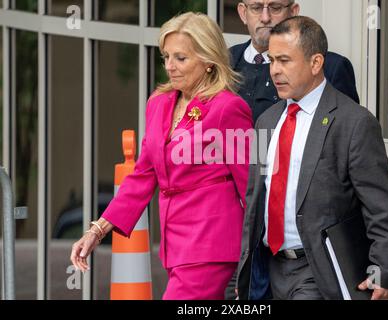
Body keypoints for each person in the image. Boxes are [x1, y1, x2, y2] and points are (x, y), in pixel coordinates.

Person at [70, 12, 253, 300]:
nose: (170, 66)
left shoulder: (227, 108)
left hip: (210, 242)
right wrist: (97, 230)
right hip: (174, 243)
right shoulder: (158, 102)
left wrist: (255, 255)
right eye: (166, 57)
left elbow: (250, 186)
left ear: (208, 61)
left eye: (181, 58)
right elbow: (143, 174)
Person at [236, 16, 388, 300]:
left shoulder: (354, 123)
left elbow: (379, 207)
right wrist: (244, 273)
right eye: (272, 60)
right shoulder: (265, 122)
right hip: (269, 269)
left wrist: (382, 271)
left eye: (285, 60)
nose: (275, 70)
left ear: (315, 63)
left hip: (318, 270)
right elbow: (255, 201)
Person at [230, 0, 360, 123]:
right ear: (243, 13)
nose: (265, 18)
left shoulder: (330, 67)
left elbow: (346, 131)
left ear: (293, 12)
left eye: (275, 8)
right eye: (256, 8)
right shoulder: (224, 61)